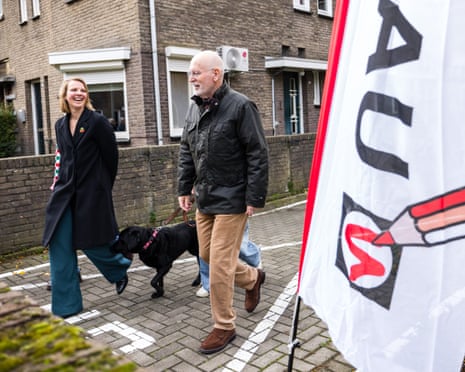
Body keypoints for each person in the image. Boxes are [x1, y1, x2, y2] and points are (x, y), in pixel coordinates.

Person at [178, 50, 269, 354]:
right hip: (206, 199)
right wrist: (184, 188)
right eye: (190, 73)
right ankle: (253, 277)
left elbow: (257, 152)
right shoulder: (194, 110)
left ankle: (224, 326)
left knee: (218, 265)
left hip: (233, 199)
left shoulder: (241, 106)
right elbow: (186, 151)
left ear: (216, 74)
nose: (191, 78)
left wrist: (254, 197)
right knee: (206, 254)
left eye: (196, 72)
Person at [42, 78, 131, 318]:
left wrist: (102, 187)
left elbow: (111, 158)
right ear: (65, 95)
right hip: (64, 191)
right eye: (74, 90)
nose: (79, 93)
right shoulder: (60, 125)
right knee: (59, 244)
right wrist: (57, 181)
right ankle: (67, 306)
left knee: (91, 242)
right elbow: (62, 158)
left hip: (92, 192)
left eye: (83, 90)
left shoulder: (98, 122)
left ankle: (118, 269)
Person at [196, 222, 262, 297]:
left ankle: (254, 257)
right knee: (206, 249)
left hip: (232, 212)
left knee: (238, 243)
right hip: (206, 212)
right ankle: (207, 283)